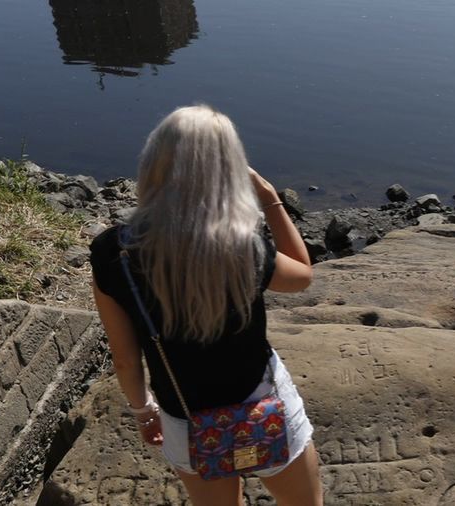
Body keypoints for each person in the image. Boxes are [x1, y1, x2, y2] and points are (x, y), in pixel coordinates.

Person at [89, 104, 323, 505]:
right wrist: (269, 199)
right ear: (228, 172)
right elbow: (302, 274)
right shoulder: (242, 246)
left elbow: (126, 359)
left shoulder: (114, 251)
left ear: (152, 165)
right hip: (264, 407)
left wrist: (144, 411)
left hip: (186, 420)